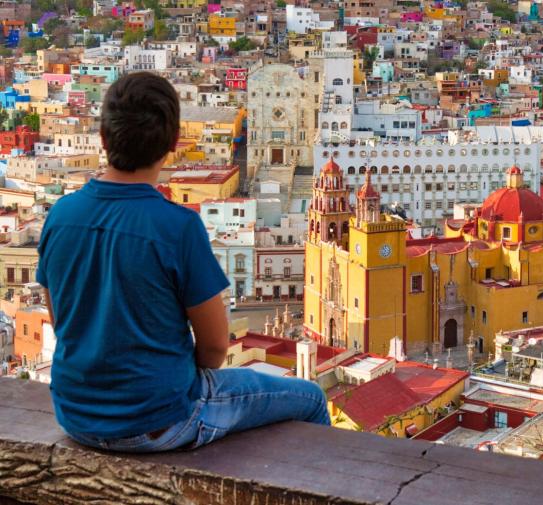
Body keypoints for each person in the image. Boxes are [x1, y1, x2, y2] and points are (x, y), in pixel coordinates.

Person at [37, 72, 329, 453]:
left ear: (104, 139)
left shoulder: (60, 215)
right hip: (161, 420)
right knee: (311, 398)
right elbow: (213, 349)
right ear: (174, 143)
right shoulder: (178, 226)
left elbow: (61, 321)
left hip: (75, 416)